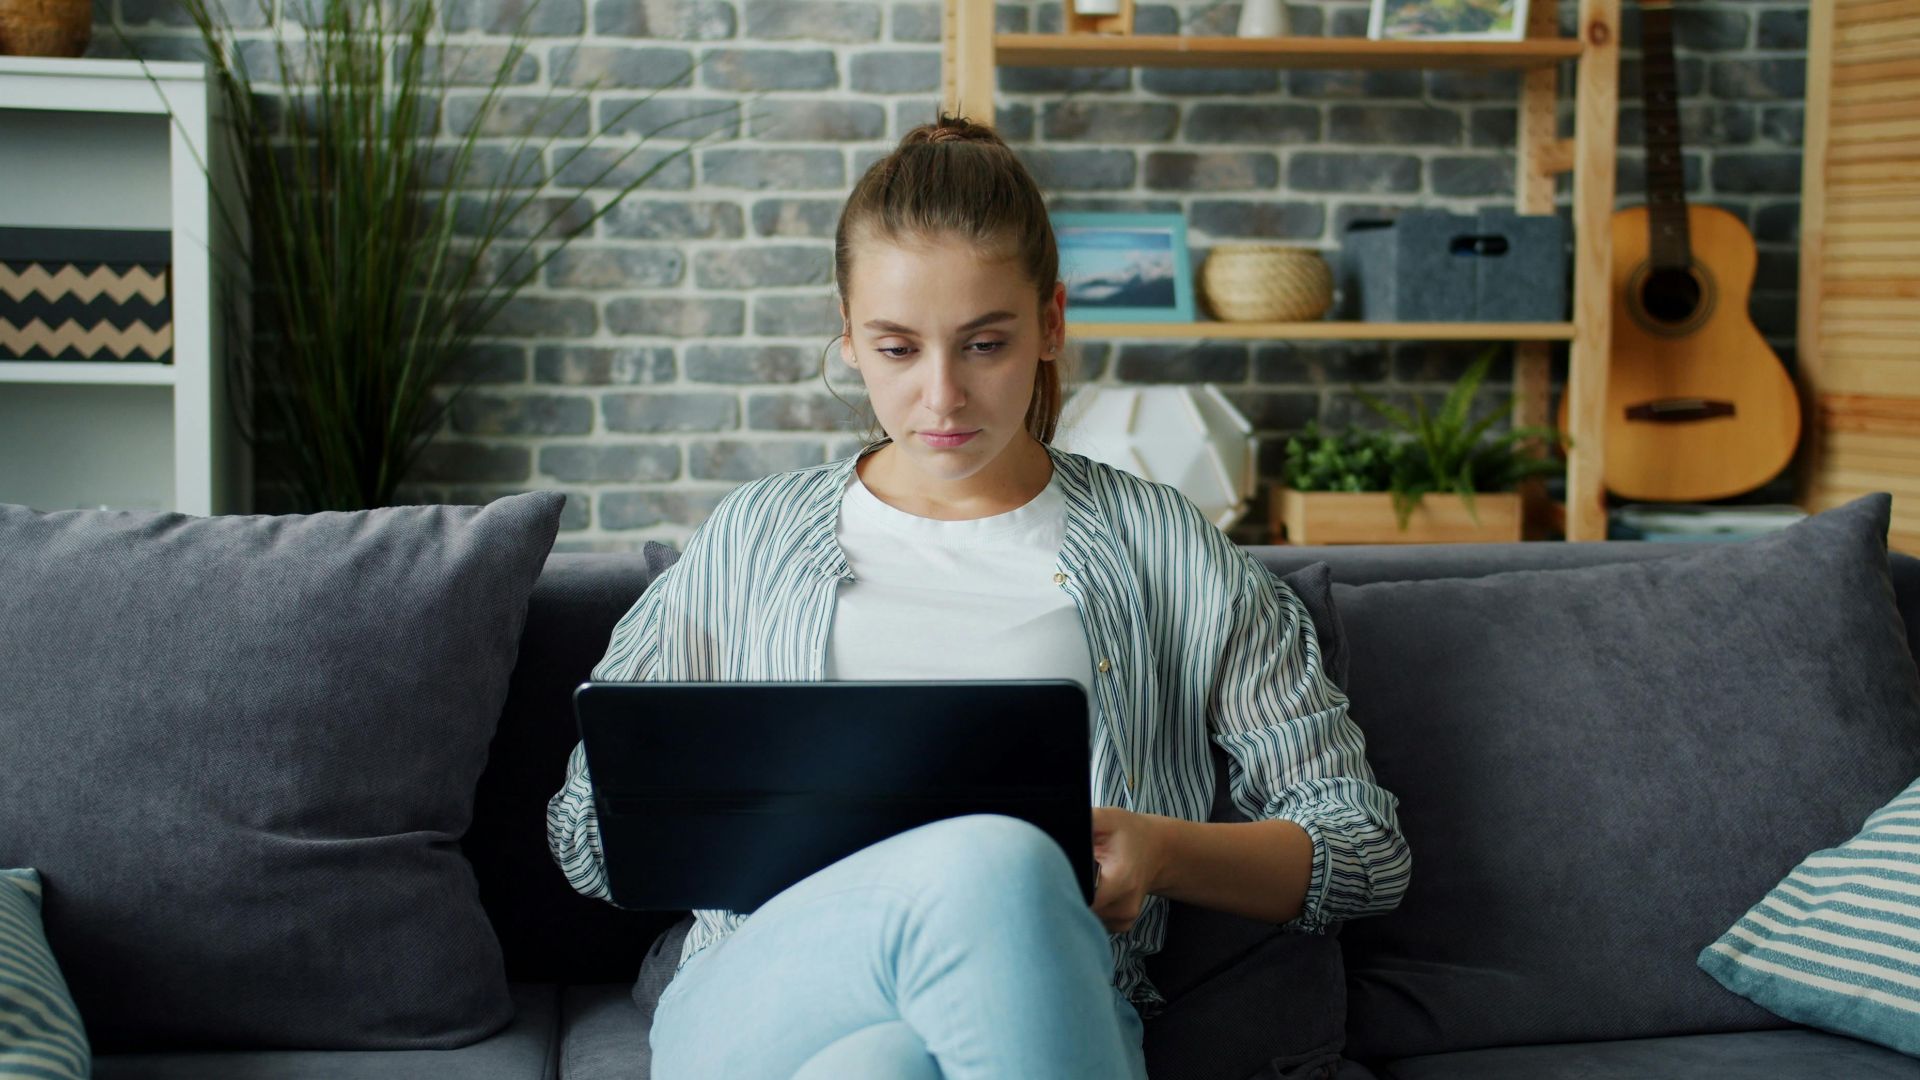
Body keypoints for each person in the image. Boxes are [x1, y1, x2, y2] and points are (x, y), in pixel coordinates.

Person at [546, 111, 1411, 1080]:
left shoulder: (1166, 548)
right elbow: (584, 845)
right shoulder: (749, 539)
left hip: (1048, 997)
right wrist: (681, 794)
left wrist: (1159, 853)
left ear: (1050, 326)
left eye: (984, 345)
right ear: (847, 341)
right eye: (898, 349)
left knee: (882, 1068)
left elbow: (1365, 848)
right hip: (764, 989)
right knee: (991, 864)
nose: (942, 399)